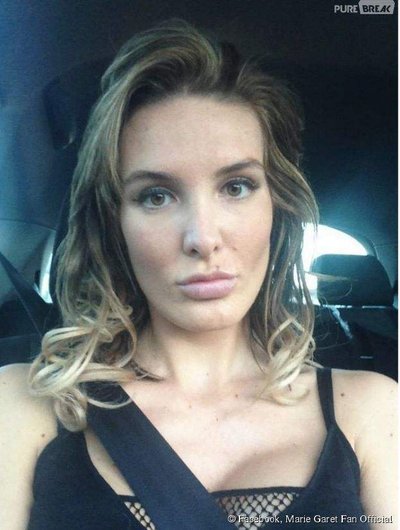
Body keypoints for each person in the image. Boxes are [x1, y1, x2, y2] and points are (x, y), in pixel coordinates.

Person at [0, 19, 397, 530]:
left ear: (276, 208)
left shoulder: (372, 409)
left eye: (236, 187)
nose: (203, 238)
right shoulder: (24, 405)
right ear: (114, 223)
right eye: (156, 196)